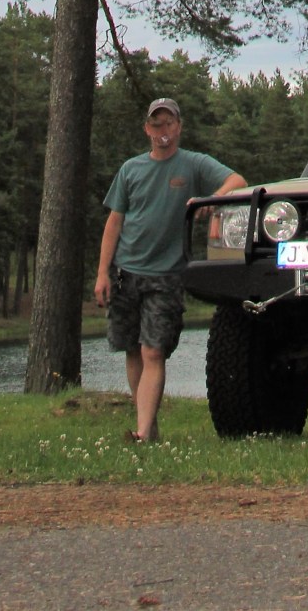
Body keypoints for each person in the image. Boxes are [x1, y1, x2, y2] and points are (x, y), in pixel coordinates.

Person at [93, 98, 246, 442]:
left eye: (169, 124)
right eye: (156, 125)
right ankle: (148, 425)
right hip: (125, 273)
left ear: (179, 126)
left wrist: (211, 199)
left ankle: (143, 432)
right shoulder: (130, 170)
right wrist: (103, 272)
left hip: (167, 276)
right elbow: (114, 222)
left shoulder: (192, 164)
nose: (163, 132)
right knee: (132, 348)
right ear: (147, 129)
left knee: (153, 350)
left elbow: (237, 180)